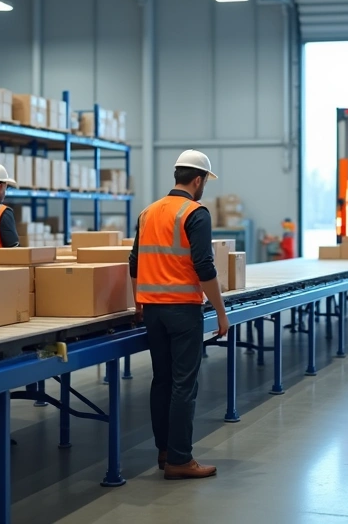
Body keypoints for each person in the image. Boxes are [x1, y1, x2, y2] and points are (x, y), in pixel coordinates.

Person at [128, 150, 229, 480]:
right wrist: (220, 311)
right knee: (184, 385)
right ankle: (181, 460)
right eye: (204, 183)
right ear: (197, 180)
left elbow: (134, 263)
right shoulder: (195, 213)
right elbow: (204, 266)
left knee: (162, 381)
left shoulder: (148, 212)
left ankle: (165, 451)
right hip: (183, 311)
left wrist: (138, 301)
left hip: (152, 310)